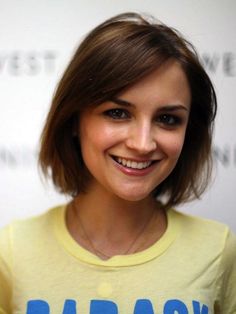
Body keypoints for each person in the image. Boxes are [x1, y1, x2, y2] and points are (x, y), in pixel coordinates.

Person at [0, 12, 235, 314]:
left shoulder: (218, 251)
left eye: (167, 119)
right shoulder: (12, 252)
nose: (142, 143)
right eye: (117, 113)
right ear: (74, 119)